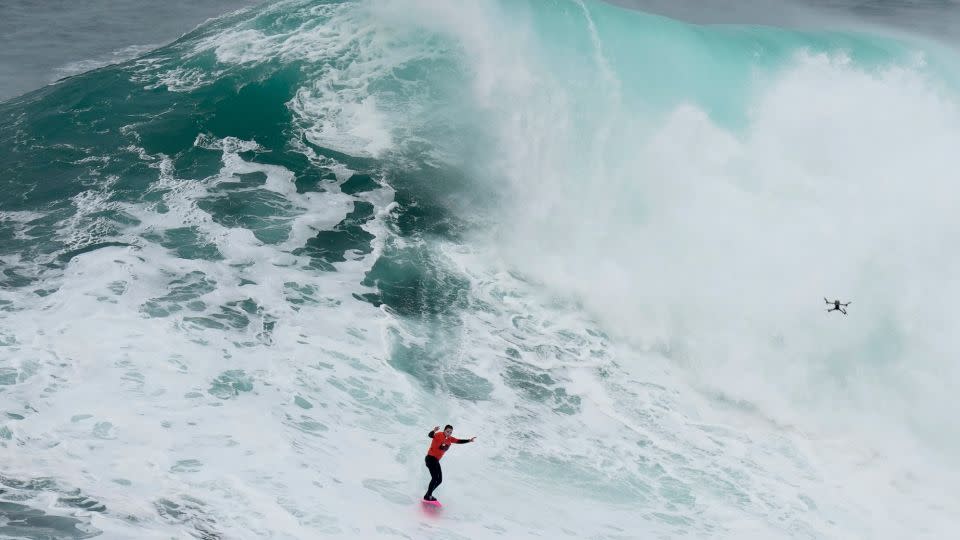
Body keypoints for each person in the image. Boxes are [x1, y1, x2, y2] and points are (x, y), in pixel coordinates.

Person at [423, 424, 475, 502]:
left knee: (439, 480)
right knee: (434, 478)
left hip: (436, 460)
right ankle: (428, 495)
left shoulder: (450, 439)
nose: (449, 433)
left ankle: (428, 494)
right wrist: (434, 431)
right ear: (444, 430)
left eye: (450, 432)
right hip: (430, 458)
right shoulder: (438, 434)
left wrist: (469, 440)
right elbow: (430, 435)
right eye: (447, 431)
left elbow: (458, 441)